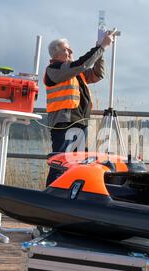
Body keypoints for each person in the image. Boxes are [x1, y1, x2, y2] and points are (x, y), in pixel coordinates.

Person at [44, 32, 114, 186]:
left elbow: (97, 74)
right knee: (61, 163)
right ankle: (50, 197)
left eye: (70, 49)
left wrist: (99, 51)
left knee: (78, 165)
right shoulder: (54, 69)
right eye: (66, 50)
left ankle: (70, 197)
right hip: (64, 124)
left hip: (80, 123)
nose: (70, 52)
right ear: (55, 54)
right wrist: (101, 47)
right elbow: (83, 64)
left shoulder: (75, 73)